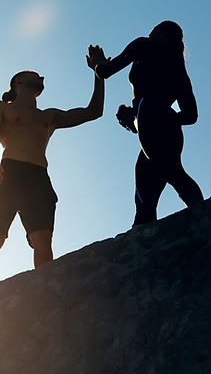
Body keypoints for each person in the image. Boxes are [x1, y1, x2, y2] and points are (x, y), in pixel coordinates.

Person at [0, 67, 104, 290]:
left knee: (42, 238)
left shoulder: (48, 116)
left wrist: (99, 74)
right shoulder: (1, 108)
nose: (41, 78)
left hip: (38, 176)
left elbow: (93, 112)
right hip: (8, 172)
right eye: (34, 75)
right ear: (19, 81)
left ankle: (45, 291)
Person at [87, 20, 204, 227]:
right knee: (146, 186)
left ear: (158, 33)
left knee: (173, 174)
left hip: (151, 121)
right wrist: (141, 117)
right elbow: (191, 115)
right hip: (169, 130)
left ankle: (206, 217)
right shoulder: (178, 67)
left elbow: (105, 72)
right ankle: (143, 233)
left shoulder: (143, 44)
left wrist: (98, 64)